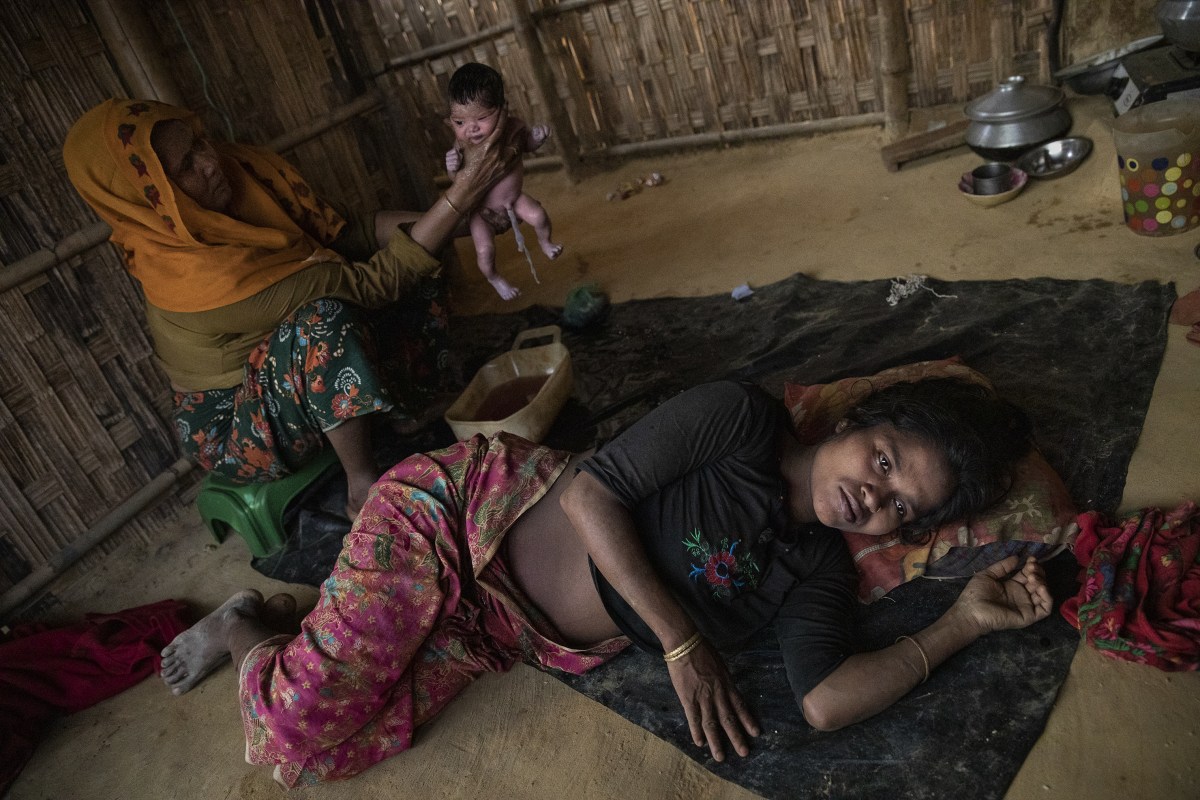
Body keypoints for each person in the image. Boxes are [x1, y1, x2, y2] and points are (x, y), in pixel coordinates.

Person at [159, 376, 1053, 786]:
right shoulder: (740, 422)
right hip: (455, 519)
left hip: (502, 631)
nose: (873, 494)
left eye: (901, 507)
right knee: (286, 725)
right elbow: (592, 495)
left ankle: (295, 621)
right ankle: (243, 623)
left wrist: (963, 625)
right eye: (885, 457)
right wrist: (684, 642)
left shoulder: (814, 565)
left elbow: (823, 702)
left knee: (332, 753)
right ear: (858, 421)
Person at [63, 98, 523, 518]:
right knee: (324, 321)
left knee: (423, 253)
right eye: (185, 166)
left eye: (199, 142)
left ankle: (409, 406)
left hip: (285, 367)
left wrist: (465, 222)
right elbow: (368, 286)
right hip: (235, 424)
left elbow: (349, 234)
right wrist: (459, 195)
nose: (210, 162)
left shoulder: (246, 183)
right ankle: (361, 485)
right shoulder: (191, 276)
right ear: (151, 197)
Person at [444, 62, 562, 301]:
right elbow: (457, 182)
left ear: (501, 109)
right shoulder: (462, 147)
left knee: (539, 216)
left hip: (513, 200)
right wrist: (452, 166)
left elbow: (525, 145)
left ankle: (545, 242)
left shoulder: (513, 128)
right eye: (460, 122)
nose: (471, 129)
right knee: (485, 251)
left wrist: (536, 139)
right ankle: (494, 278)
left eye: (481, 118)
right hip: (481, 210)